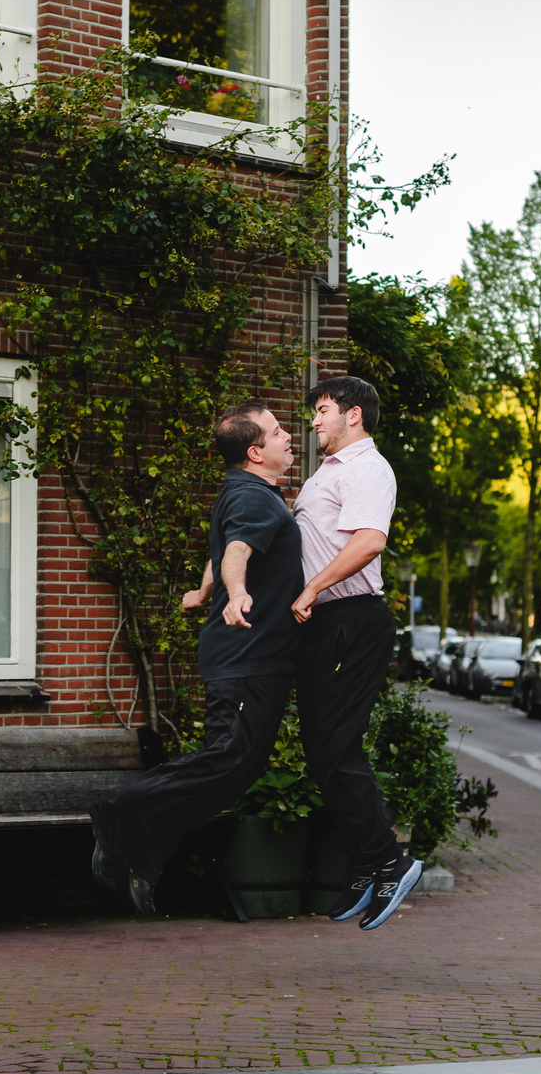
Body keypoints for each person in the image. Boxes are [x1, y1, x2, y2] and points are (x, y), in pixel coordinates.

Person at [90, 401, 303, 914]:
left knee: (237, 771)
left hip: (257, 654)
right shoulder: (253, 496)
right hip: (247, 653)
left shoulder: (244, 491)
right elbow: (238, 552)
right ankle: (117, 817)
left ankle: (141, 859)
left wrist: (206, 589)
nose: (288, 436)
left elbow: (224, 548)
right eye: (277, 432)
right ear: (255, 452)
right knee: (228, 757)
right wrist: (236, 591)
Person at [290, 375, 421, 929]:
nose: (314, 419)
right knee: (325, 753)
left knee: (336, 747)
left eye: (322, 409)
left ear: (353, 415)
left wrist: (312, 588)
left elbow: (369, 541)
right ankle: (371, 861)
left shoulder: (368, 468)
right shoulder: (327, 472)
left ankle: (391, 861)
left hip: (353, 620)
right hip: (323, 624)